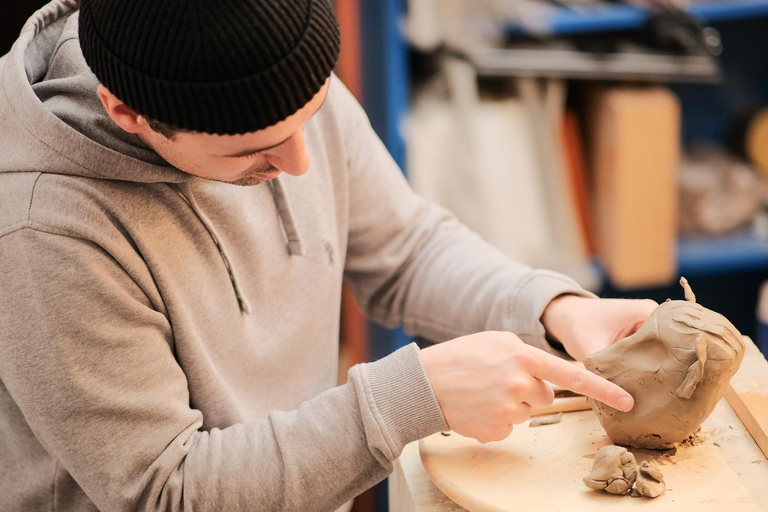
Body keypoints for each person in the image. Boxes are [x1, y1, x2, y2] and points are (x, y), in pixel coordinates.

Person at [0, 0, 656, 510]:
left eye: (312, 115)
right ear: (127, 113)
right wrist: (410, 398)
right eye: (251, 151)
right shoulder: (44, 228)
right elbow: (165, 492)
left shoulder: (279, 76)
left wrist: (553, 307)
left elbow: (406, 250)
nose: (300, 164)